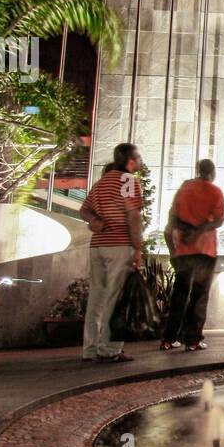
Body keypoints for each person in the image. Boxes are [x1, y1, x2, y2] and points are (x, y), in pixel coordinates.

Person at [78, 142, 144, 363]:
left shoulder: (102, 181)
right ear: (131, 161)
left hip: (98, 245)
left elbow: (83, 209)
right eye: (139, 158)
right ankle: (109, 349)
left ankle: (90, 349)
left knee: (97, 297)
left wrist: (94, 221)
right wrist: (137, 247)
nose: (141, 161)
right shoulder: (128, 180)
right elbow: (133, 215)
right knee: (115, 298)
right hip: (119, 244)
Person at [161, 158, 224, 351]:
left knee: (179, 294)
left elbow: (173, 218)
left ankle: (169, 338)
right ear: (212, 173)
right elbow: (219, 220)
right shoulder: (215, 191)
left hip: (184, 250)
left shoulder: (185, 190)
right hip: (205, 250)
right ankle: (193, 340)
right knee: (199, 296)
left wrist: (187, 231)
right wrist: (199, 230)